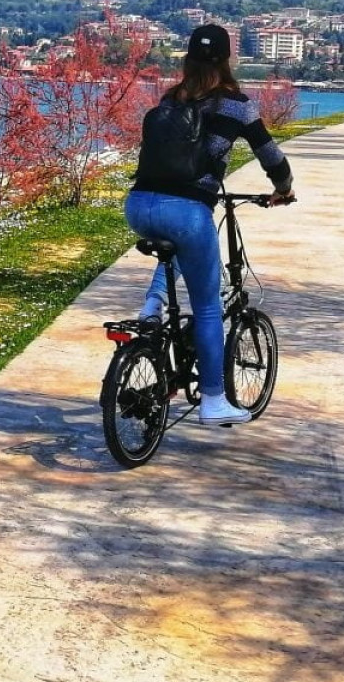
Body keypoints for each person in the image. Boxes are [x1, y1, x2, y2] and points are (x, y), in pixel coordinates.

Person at [126, 24, 295, 426]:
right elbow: (271, 157)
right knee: (207, 307)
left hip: (138, 205)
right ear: (227, 60)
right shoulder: (238, 106)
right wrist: (283, 188)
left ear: (187, 60)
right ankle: (215, 401)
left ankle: (152, 308)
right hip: (186, 210)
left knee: (179, 248)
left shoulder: (171, 99)